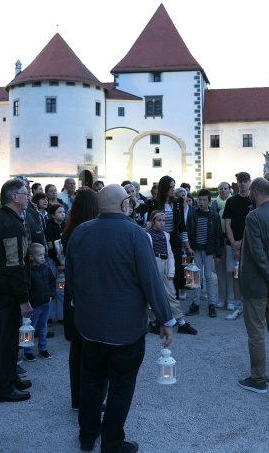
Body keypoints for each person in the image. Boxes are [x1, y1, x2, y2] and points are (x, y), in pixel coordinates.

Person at [66, 184, 173, 453]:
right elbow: (151, 280)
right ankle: (111, 441)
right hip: (126, 329)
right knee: (121, 385)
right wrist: (165, 318)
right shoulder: (134, 234)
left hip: (90, 325)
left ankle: (87, 436)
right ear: (124, 204)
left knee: (91, 380)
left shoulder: (80, 232)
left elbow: (71, 277)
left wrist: (79, 308)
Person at [0, 178, 34, 403]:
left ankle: (11, 377)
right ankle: (4, 389)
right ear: (14, 197)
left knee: (5, 335)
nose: (28, 196)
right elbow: (15, 264)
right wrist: (23, 299)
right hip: (7, 290)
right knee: (8, 339)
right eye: (25, 193)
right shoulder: (11, 225)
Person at [237, 178, 269, 393]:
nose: (249, 194)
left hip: (259, 282)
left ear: (256, 191)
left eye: (250, 191)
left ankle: (258, 378)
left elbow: (257, 252)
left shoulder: (254, 216)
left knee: (256, 331)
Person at [61, 188, 99, 411]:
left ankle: (77, 398)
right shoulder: (86, 233)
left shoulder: (69, 231)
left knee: (76, 351)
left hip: (73, 295)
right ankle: (86, 398)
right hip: (85, 298)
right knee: (89, 352)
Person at [146, 210, 197, 335]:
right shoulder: (147, 235)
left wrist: (171, 271)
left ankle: (181, 322)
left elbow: (170, 253)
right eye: (159, 220)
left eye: (164, 220)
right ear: (153, 221)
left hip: (164, 264)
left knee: (171, 294)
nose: (162, 223)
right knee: (153, 294)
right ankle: (153, 322)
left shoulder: (166, 235)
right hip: (154, 264)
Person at [146, 176, 191, 292]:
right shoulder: (153, 203)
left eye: (173, 187)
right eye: (170, 187)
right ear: (164, 188)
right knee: (159, 269)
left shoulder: (177, 202)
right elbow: (149, 222)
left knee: (174, 269)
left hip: (174, 239)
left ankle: (173, 299)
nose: (172, 189)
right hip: (158, 240)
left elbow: (182, 226)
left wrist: (187, 246)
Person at [185, 189, 224, 318]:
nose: (201, 202)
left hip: (208, 250)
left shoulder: (214, 216)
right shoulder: (193, 215)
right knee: (195, 276)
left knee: (208, 276)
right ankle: (195, 303)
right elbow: (188, 233)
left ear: (209, 201)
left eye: (204, 200)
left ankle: (211, 304)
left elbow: (218, 236)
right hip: (196, 249)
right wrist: (188, 248)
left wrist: (218, 255)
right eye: (199, 200)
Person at [223, 171, 253, 320]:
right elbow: (227, 223)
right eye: (240, 181)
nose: (242, 183)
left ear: (249, 182)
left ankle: (250, 307)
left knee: (250, 275)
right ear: (237, 183)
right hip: (232, 244)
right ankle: (237, 306)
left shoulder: (254, 201)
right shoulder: (231, 201)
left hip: (250, 245)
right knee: (235, 276)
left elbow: (254, 226)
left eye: (245, 181)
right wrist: (234, 244)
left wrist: (242, 242)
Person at [22, 243, 56, 362]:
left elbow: (52, 281)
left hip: (46, 303)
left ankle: (43, 349)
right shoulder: (28, 272)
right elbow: (25, 288)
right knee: (30, 328)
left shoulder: (46, 267)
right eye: (39, 255)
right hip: (34, 306)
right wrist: (27, 302)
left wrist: (52, 294)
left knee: (43, 327)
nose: (43, 257)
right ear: (31, 257)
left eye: (44, 254)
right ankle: (28, 351)